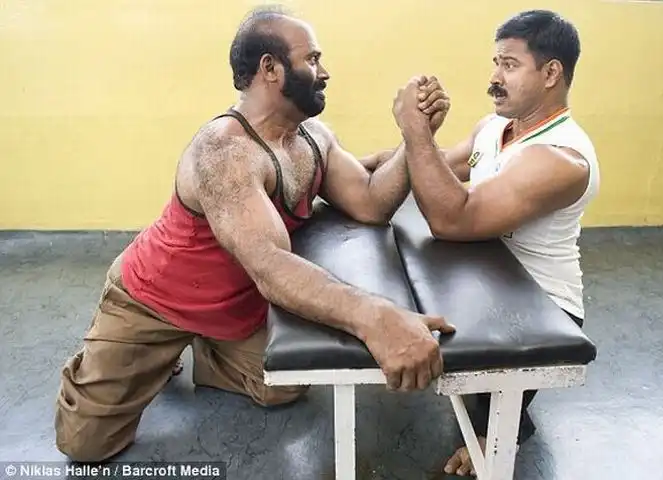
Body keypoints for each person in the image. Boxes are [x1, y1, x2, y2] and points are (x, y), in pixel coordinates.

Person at [54, 6, 455, 463]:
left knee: (286, 384)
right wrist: (377, 317)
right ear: (270, 68)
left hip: (233, 306)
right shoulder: (225, 151)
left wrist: (415, 138)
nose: (324, 73)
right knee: (85, 445)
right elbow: (271, 267)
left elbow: (369, 201)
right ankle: (128, 354)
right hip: (155, 300)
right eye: (313, 60)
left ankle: (207, 352)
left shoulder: (313, 137)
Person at [391, 9, 600, 477]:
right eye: (496, 63)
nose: (494, 78)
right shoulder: (494, 128)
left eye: (509, 65)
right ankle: (495, 409)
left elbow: (451, 217)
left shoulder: (560, 158)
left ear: (551, 73)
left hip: (537, 305)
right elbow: (436, 166)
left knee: (484, 412)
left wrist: (415, 130)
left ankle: (501, 429)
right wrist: (339, 168)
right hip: (489, 274)